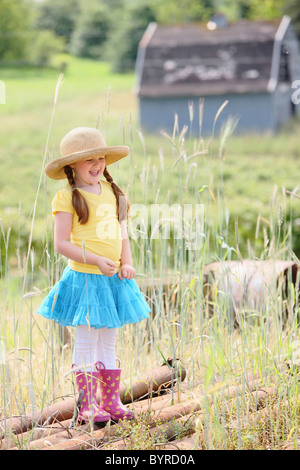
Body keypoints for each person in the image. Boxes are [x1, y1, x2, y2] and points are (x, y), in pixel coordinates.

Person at [37, 126, 151, 424]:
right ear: (72, 165)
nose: (97, 164)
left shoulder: (113, 192)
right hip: (86, 279)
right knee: (87, 339)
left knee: (109, 339)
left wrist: (126, 262)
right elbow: (62, 243)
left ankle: (110, 402)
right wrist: (98, 260)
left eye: (100, 158)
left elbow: (121, 232)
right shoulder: (68, 197)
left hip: (113, 279)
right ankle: (88, 405)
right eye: (89, 160)